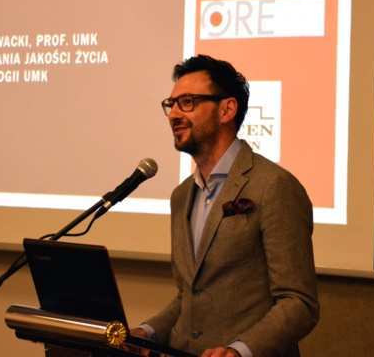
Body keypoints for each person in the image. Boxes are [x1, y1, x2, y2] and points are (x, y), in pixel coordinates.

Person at [132, 55, 319, 357]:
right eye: (171, 104)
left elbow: (299, 303)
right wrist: (146, 332)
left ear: (227, 110)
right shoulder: (181, 196)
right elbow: (189, 296)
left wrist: (238, 351)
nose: (174, 114)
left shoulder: (274, 186)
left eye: (187, 102)